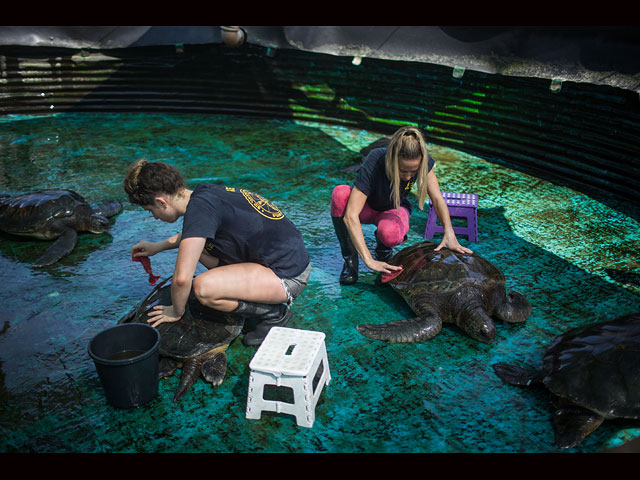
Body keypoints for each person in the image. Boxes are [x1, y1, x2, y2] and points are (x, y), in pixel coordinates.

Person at [123, 159, 310, 346]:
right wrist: (159, 246)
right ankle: (257, 295)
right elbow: (193, 234)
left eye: (151, 211)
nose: (155, 217)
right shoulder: (204, 194)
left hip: (287, 276)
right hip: (285, 258)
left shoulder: (199, 211)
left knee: (203, 289)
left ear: (161, 202)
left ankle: (273, 314)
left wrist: (176, 311)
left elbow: (181, 279)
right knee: (198, 248)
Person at [330, 125, 473, 284]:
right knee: (340, 193)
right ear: (391, 158)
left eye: (414, 171)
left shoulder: (425, 161)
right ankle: (350, 262)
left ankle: (383, 248)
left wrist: (449, 232)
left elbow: (437, 198)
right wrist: (368, 260)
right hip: (368, 207)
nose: (408, 176)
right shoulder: (375, 159)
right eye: (403, 170)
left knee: (390, 234)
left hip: (393, 208)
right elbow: (350, 216)